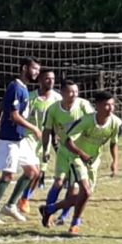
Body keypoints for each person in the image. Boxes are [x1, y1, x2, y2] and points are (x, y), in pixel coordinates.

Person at [39, 90, 121, 235]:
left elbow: (114, 143)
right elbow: (68, 140)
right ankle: (75, 224)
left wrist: (115, 162)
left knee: (85, 195)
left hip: (93, 161)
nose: (110, 108)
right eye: (107, 105)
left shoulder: (115, 122)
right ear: (98, 106)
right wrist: (81, 154)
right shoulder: (87, 121)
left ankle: (50, 209)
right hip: (76, 157)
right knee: (85, 191)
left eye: (112, 105)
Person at [0, 57, 43, 224]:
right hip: (9, 139)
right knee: (8, 175)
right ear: (24, 68)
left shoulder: (23, 88)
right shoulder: (15, 87)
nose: (36, 72)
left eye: (38, 70)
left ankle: (10, 205)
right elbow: (13, 115)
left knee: (33, 171)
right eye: (34, 69)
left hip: (19, 138)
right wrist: (34, 128)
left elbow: (1, 105)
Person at [40, 80, 94, 226]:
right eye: (70, 92)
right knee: (58, 182)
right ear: (62, 93)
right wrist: (45, 150)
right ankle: (48, 214)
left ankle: (63, 217)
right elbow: (47, 131)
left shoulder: (83, 105)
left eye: (76, 91)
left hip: (79, 152)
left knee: (74, 186)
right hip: (64, 150)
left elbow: (93, 122)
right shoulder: (53, 109)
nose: (74, 94)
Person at [16, 69, 62, 214]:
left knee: (40, 173)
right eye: (47, 78)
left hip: (46, 140)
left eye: (53, 78)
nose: (51, 81)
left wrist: (57, 136)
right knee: (33, 171)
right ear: (40, 80)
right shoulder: (31, 97)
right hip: (29, 138)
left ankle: (24, 198)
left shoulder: (58, 99)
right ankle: (22, 199)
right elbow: (19, 115)